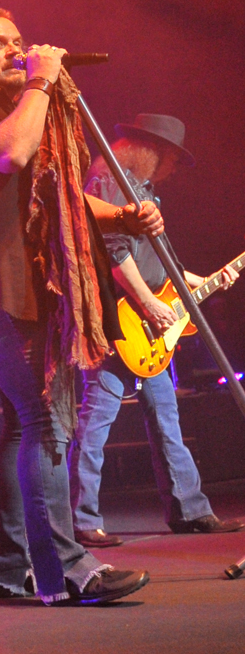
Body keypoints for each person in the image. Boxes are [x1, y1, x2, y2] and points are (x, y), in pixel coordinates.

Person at [0, 10, 161, 604]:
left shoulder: (12, 109)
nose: (15, 51)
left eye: (18, 43)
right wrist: (41, 81)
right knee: (45, 424)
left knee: (22, 426)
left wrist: (123, 216)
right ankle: (67, 570)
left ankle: (11, 570)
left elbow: (57, 190)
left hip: (32, 282)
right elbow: (11, 154)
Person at [70, 114, 242, 542]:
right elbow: (112, 250)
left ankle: (189, 510)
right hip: (122, 324)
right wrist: (148, 305)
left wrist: (203, 282)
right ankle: (80, 520)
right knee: (95, 424)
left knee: (167, 420)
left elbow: (160, 267)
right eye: (171, 159)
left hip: (151, 331)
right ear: (151, 151)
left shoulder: (144, 192)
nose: (173, 169)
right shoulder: (111, 181)